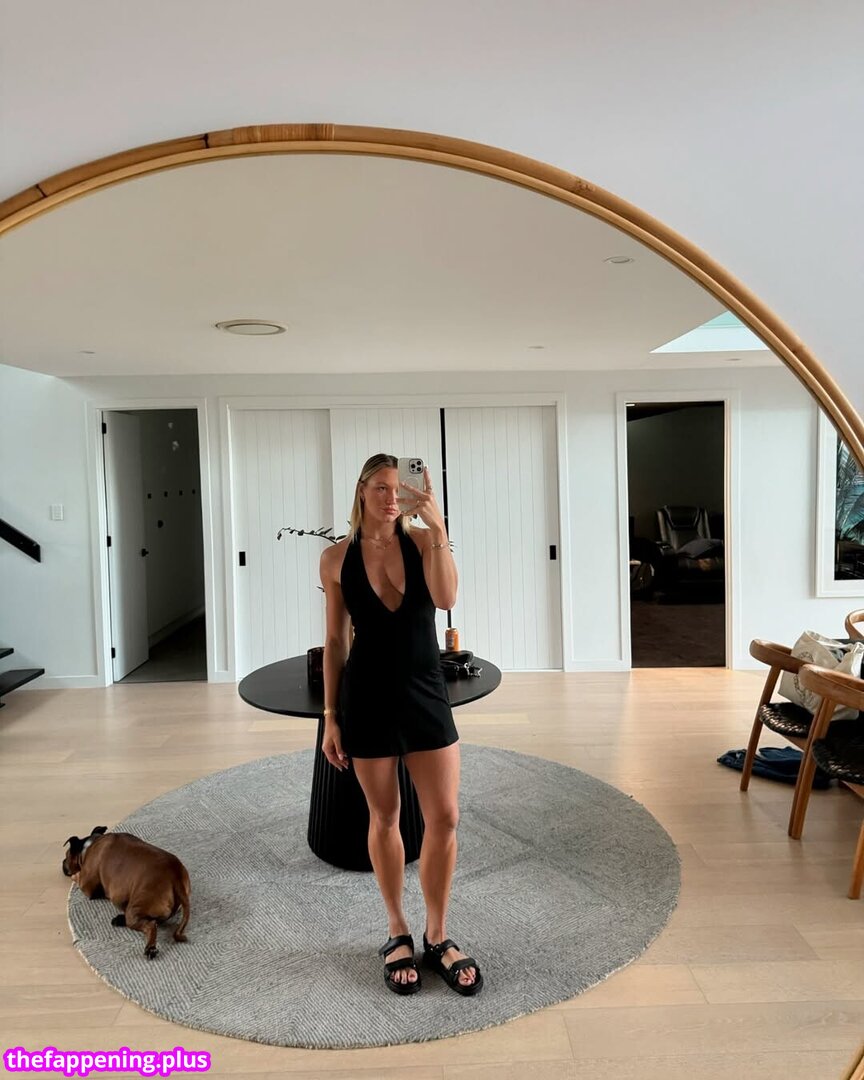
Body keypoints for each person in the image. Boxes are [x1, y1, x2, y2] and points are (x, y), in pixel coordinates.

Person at [319, 453, 483, 996]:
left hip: (424, 691)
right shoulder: (335, 558)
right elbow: (336, 641)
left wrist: (438, 528)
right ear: (362, 490)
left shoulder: (423, 542)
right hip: (366, 697)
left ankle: (437, 933)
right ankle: (397, 931)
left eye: (400, 489)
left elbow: (447, 598)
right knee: (384, 816)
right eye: (382, 488)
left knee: (445, 816)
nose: (392, 498)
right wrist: (331, 717)